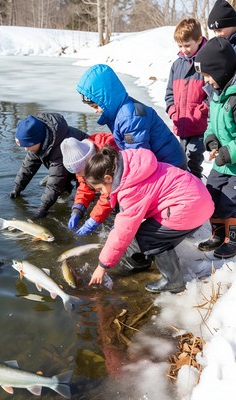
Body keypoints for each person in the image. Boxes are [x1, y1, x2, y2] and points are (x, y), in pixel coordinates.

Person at [83, 146, 214, 293]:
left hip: (189, 209)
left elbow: (123, 231)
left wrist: (102, 266)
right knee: (144, 233)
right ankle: (147, 258)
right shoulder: (131, 165)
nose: (101, 193)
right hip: (198, 200)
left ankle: (174, 281)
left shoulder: (130, 189)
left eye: (100, 189)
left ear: (108, 178)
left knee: (148, 237)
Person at [76, 64, 187, 170]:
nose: (96, 111)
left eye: (96, 106)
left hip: (170, 165)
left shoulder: (129, 118)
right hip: (160, 162)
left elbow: (139, 157)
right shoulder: (118, 111)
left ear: (107, 99)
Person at [194, 37, 236, 258]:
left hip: (234, 164)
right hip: (222, 162)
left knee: (232, 201)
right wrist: (212, 140)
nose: (207, 81)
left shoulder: (234, 97)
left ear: (221, 70)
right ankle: (218, 234)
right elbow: (212, 123)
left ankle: (233, 240)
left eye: (208, 76)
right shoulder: (217, 94)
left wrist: (228, 152)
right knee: (211, 194)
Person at [10, 113, 87, 219]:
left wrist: (43, 208)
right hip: (66, 169)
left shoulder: (60, 147)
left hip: (86, 169)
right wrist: (17, 188)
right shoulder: (39, 141)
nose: (26, 149)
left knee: (84, 196)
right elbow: (28, 167)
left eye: (28, 145)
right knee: (55, 186)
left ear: (38, 140)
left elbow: (56, 180)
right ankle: (67, 189)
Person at [165, 18, 208, 179]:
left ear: (198, 40)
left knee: (193, 159)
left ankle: (197, 190)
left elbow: (212, 93)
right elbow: (169, 93)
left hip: (199, 125)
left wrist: (200, 113)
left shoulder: (206, 62)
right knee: (179, 160)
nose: (184, 49)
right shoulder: (177, 65)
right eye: (180, 46)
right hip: (181, 123)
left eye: (187, 45)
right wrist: (173, 111)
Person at [60, 133, 118, 235]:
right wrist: (78, 208)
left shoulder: (110, 158)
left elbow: (109, 193)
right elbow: (84, 186)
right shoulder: (83, 161)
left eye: (81, 172)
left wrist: (94, 220)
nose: (78, 175)